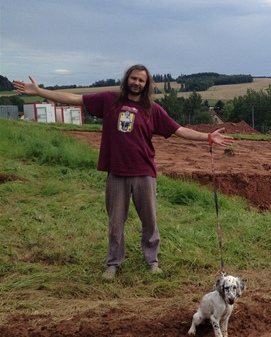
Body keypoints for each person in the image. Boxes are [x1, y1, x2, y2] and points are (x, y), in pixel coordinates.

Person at [13, 64, 235, 279]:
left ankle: (152, 261)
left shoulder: (152, 109)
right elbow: (73, 99)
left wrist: (208, 137)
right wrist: (40, 91)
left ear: (146, 84)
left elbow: (179, 130)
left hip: (144, 173)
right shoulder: (108, 100)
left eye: (141, 80)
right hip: (117, 173)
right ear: (127, 79)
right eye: (133, 78)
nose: (136, 83)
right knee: (115, 223)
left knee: (150, 221)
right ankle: (113, 263)